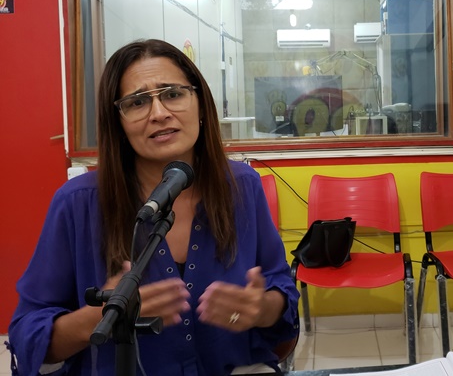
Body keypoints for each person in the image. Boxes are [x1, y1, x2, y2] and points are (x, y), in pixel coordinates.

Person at [8, 39, 299, 375]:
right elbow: (27, 334)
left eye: (173, 94)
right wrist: (102, 317)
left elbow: (280, 289)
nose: (159, 113)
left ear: (201, 105)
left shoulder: (242, 185)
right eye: (137, 102)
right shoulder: (77, 202)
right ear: (118, 122)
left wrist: (263, 308)